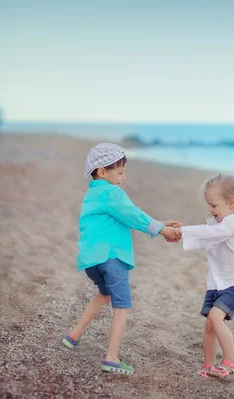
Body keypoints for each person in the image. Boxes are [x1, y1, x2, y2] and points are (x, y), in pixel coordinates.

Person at [62, 143, 181, 375]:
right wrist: (161, 231)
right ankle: (112, 358)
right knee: (122, 307)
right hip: (111, 257)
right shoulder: (112, 192)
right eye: (120, 172)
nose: (124, 177)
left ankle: (73, 335)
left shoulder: (93, 194)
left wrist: (160, 223)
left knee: (104, 295)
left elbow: (128, 215)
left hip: (93, 261)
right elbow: (132, 214)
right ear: (102, 172)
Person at [180, 173, 234, 378]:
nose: (210, 209)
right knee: (210, 324)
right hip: (217, 283)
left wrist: (183, 231)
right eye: (208, 204)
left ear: (231, 203)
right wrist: (178, 235)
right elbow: (206, 238)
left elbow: (213, 234)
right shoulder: (217, 223)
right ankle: (208, 365)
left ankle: (231, 362)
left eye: (214, 205)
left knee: (217, 318)